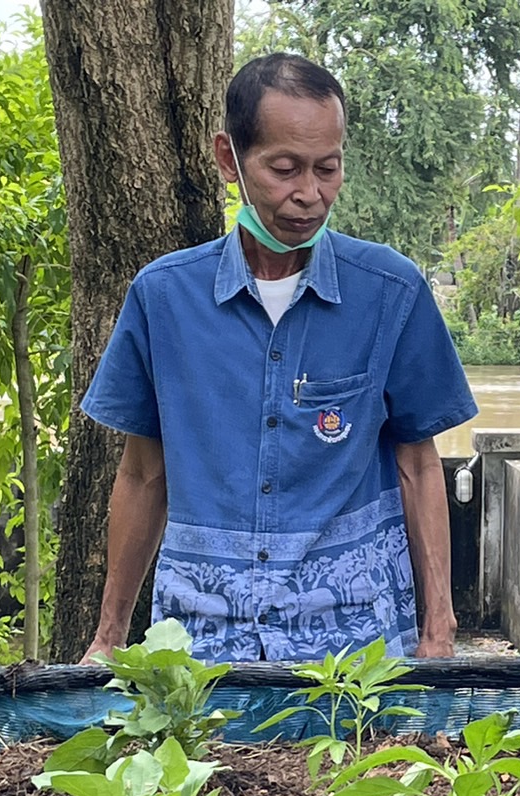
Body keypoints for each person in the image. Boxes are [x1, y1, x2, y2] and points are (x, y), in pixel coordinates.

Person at [79, 53, 477, 664]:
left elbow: (419, 467)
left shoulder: (390, 292)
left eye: (328, 168)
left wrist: (439, 631)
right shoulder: (163, 299)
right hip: (201, 646)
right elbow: (141, 475)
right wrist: (108, 640)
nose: (309, 195)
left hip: (356, 646)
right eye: (284, 168)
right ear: (228, 159)